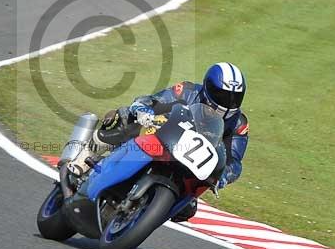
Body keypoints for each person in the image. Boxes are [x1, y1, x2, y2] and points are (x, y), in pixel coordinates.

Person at [67, 62, 249, 222]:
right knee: (123, 118)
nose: (228, 102)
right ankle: (82, 161)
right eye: (221, 94)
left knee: (187, 209)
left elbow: (235, 161)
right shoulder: (187, 90)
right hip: (164, 138)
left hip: (190, 165)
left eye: (234, 97)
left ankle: (140, 216)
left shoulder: (239, 124)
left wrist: (223, 177)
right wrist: (143, 109)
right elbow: (154, 100)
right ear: (208, 87)